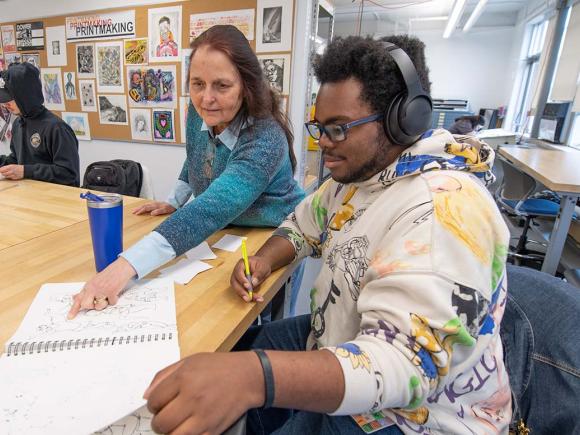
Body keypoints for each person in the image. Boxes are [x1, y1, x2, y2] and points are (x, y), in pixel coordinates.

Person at [143, 35, 512, 434]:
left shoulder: (445, 211)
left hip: (410, 415)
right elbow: (302, 225)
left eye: (338, 129)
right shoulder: (356, 177)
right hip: (339, 340)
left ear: (402, 120)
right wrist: (265, 261)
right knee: (234, 349)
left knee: (245, 372)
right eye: (320, 127)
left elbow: (403, 368)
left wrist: (255, 378)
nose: (323, 145)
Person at [67, 25, 304, 318]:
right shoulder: (199, 111)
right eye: (197, 84)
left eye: (222, 86)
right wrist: (175, 199)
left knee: (257, 320)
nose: (206, 98)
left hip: (269, 238)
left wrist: (124, 267)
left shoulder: (265, 137)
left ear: (246, 85)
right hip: (225, 232)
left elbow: (213, 207)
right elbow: (196, 153)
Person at [0, 62, 80, 186]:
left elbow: (69, 174)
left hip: (55, 198)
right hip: (30, 195)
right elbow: (17, 160)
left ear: (25, 96)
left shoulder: (56, 128)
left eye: (10, 99)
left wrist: (26, 171)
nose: (5, 104)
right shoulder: (18, 123)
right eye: (3, 100)